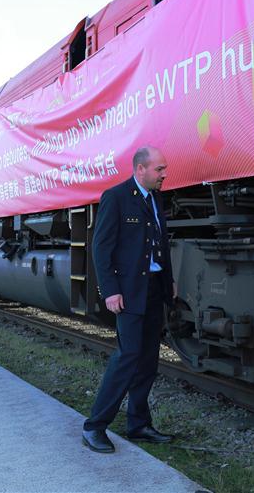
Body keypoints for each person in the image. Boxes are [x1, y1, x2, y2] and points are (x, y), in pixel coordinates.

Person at [82, 146, 176, 453]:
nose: (164, 174)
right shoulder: (117, 197)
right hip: (129, 293)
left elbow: (160, 244)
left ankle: (138, 424)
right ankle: (94, 426)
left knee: (148, 361)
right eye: (159, 169)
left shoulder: (155, 198)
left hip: (154, 290)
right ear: (140, 169)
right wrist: (110, 290)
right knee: (127, 358)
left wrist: (169, 282)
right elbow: (101, 248)